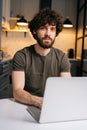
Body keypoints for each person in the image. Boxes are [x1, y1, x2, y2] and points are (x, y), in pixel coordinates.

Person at [12, 8, 71, 108]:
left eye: (52, 29)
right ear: (35, 31)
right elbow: (17, 91)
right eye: (43, 28)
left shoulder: (62, 57)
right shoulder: (21, 56)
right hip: (26, 106)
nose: (48, 33)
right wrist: (38, 102)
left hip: (52, 106)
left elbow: (66, 89)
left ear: (56, 32)